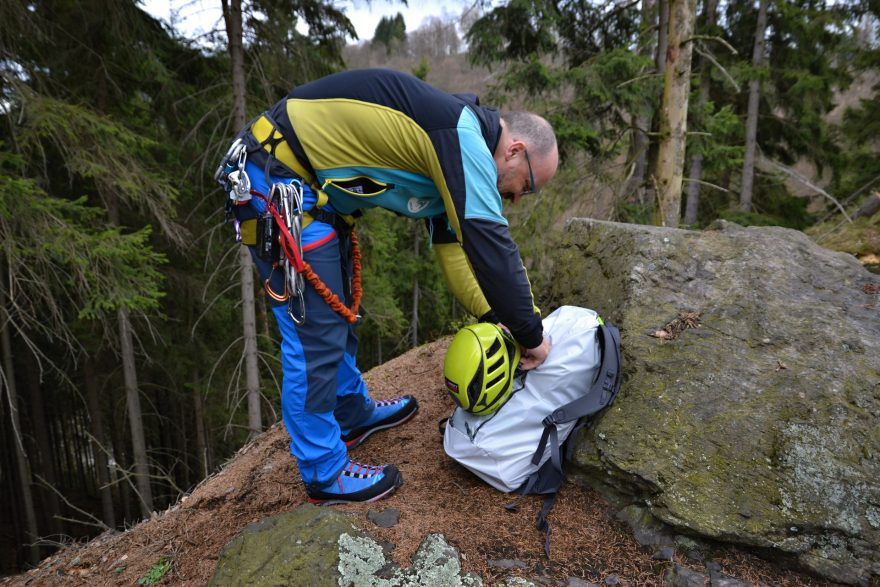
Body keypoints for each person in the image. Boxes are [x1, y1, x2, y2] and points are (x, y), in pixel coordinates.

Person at [217, 68, 559, 505]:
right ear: (514, 150)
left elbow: (456, 254)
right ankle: (324, 471)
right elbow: (492, 247)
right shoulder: (462, 138)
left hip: (305, 192)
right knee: (314, 336)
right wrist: (532, 335)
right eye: (525, 187)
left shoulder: (454, 146)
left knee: (337, 317)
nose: (514, 198)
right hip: (277, 181)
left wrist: (497, 319)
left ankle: (350, 413)